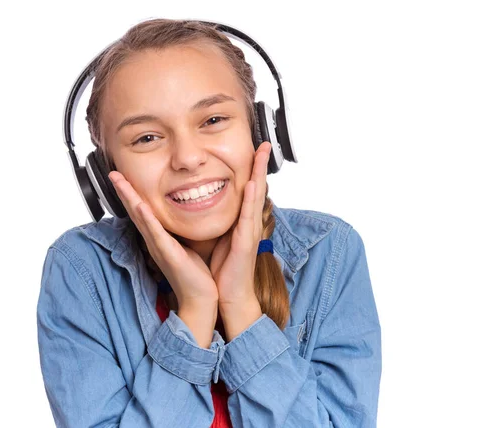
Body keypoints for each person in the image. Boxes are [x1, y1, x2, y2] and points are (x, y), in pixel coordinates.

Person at [37, 18, 382, 428]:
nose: (187, 158)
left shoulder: (331, 251)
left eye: (213, 121)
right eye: (146, 138)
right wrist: (196, 312)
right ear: (104, 175)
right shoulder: (82, 269)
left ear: (263, 132)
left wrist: (241, 309)